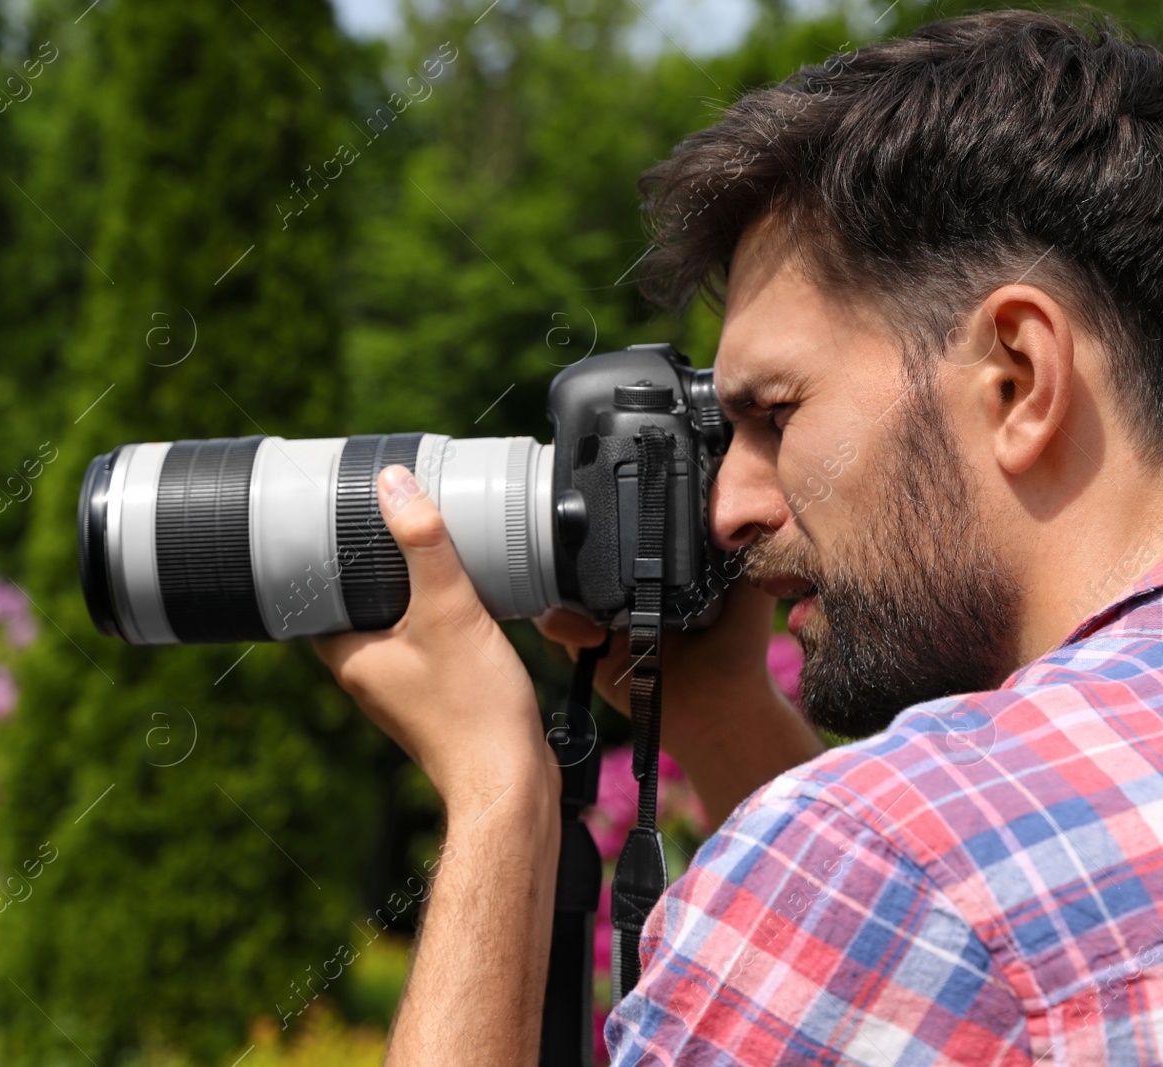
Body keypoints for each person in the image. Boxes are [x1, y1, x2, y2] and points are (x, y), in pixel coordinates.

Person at [311, 10, 1163, 1065]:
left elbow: (909, 890)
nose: (728, 505)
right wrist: (718, 713)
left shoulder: (892, 858)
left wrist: (498, 791)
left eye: (774, 413)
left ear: (1016, 376)